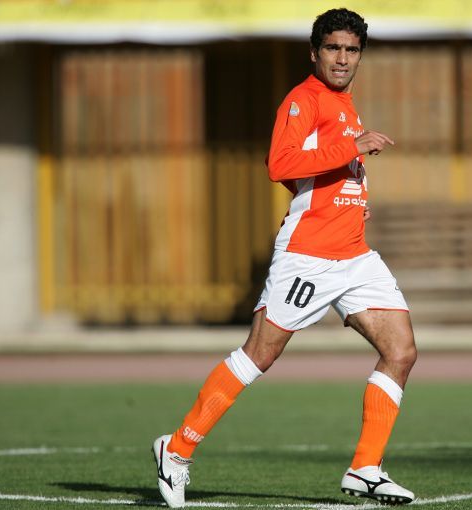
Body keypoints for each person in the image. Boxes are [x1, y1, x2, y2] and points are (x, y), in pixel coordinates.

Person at [152, 8, 417, 508]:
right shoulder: (303, 99)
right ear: (314, 53)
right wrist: (351, 148)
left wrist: (348, 185)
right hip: (309, 253)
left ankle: (365, 468)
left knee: (401, 350)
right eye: (333, 48)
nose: (342, 58)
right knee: (259, 354)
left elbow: (324, 171)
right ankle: (178, 448)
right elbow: (280, 163)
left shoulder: (344, 104)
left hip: (354, 254)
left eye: (352, 49)